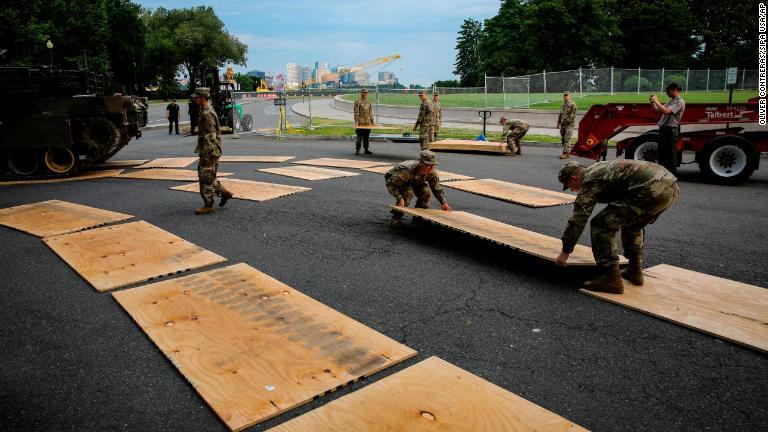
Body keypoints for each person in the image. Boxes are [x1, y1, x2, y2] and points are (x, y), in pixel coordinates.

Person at [555, 159, 679, 294]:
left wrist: (565, 251)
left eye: (569, 186)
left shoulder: (590, 181)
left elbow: (578, 218)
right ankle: (634, 271)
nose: (573, 190)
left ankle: (611, 279)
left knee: (601, 225)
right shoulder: (598, 168)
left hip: (650, 189)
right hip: (670, 187)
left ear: (573, 178)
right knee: (633, 225)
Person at [385, 150, 452, 227]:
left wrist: (443, 202)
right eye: (427, 165)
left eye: (433, 165)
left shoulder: (432, 172)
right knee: (408, 193)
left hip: (416, 180)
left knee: (426, 192)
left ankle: (418, 218)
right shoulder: (406, 171)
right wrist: (399, 198)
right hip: (397, 181)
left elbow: (436, 188)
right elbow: (390, 184)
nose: (430, 168)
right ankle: (396, 218)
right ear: (420, 162)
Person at [193, 87, 233, 215]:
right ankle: (224, 193)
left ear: (203, 97)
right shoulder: (205, 110)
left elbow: (210, 136)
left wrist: (206, 154)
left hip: (209, 151)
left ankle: (209, 205)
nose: (195, 99)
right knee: (209, 177)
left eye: (197, 97)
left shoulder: (207, 113)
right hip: (210, 150)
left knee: (205, 178)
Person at [650, 83, 685, 175]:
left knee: (670, 154)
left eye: (668, 91)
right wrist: (653, 103)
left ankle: (672, 175)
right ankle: (662, 174)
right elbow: (658, 111)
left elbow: (666, 111)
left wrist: (657, 101)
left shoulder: (679, 102)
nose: (666, 93)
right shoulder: (671, 101)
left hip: (671, 130)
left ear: (675, 90)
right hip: (664, 130)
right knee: (662, 154)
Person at [556, 91, 577, 159]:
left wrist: (567, 121)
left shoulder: (572, 104)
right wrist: (558, 123)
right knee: (563, 139)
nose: (565, 96)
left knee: (566, 139)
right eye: (564, 95)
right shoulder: (563, 105)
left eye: (567, 95)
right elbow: (560, 114)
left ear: (570, 96)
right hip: (562, 125)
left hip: (569, 125)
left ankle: (565, 153)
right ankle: (567, 152)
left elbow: (573, 114)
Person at [353, 89, 374, 155]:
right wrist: (356, 122)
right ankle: (357, 149)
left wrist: (372, 121)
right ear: (361, 93)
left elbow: (370, 113)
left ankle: (366, 149)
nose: (365, 94)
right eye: (364, 92)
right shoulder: (358, 102)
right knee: (359, 137)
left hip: (367, 122)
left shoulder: (368, 102)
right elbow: (356, 112)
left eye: (366, 93)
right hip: (360, 122)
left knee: (366, 137)